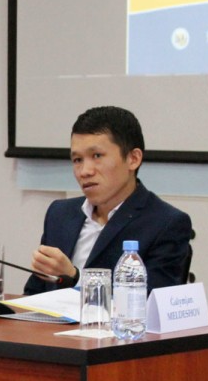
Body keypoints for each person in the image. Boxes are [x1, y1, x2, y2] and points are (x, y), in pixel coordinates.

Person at [24, 106, 192, 295]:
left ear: (133, 159)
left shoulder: (165, 223)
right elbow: (33, 294)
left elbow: (149, 302)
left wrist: (74, 277)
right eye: (77, 160)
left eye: (97, 156)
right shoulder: (60, 214)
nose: (85, 171)